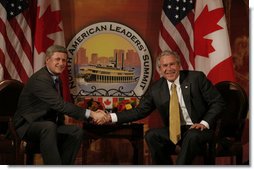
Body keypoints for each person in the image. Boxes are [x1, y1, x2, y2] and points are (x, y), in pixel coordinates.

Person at [98, 50, 225, 164]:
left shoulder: (196, 78)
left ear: (179, 65)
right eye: (165, 66)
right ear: (160, 69)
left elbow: (218, 102)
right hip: (177, 131)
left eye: (172, 64)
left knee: (192, 135)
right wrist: (110, 117)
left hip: (201, 129)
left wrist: (204, 123)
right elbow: (139, 111)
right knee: (151, 135)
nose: (169, 69)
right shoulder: (156, 88)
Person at [13, 45, 106, 165]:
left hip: (48, 124)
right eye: (57, 59)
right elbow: (60, 105)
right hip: (27, 125)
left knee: (76, 131)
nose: (61, 63)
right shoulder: (41, 79)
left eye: (63, 60)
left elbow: (58, 109)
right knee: (49, 127)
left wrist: (90, 115)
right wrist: (92, 114)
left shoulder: (56, 79)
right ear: (47, 60)